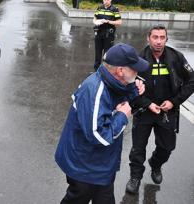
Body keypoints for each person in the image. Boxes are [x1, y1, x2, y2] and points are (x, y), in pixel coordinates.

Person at [55, 43, 148, 204]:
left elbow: (120, 96)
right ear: (120, 70)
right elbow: (99, 136)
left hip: (100, 165)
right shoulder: (94, 90)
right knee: (77, 198)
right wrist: (122, 116)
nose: (137, 73)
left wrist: (134, 88)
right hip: (84, 168)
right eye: (134, 68)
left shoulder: (113, 80)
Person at [125, 24, 194, 194]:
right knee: (137, 149)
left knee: (167, 148)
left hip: (167, 111)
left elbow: (191, 81)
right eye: (155, 37)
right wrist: (147, 103)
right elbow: (128, 86)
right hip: (144, 110)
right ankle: (135, 177)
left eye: (162, 37)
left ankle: (155, 164)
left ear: (166, 39)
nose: (158, 41)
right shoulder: (138, 59)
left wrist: (174, 102)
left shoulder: (176, 57)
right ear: (148, 38)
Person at [93, 0, 122, 71]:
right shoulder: (99, 7)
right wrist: (96, 22)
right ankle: (96, 70)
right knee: (97, 53)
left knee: (107, 54)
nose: (106, 1)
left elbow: (119, 22)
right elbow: (95, 18)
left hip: (108, 35)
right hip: (98, 33)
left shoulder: (114, 9)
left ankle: (106, 71)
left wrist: (108, 21)